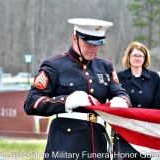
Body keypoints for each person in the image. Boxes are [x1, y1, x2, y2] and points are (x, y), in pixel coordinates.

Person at [24, 18, 131, 160]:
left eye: (98, 44)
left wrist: (121, 101)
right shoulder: (54, 65)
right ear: (75, 38)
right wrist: (66, 101)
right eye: (89, 43)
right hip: (66, 146)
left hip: (98, 145)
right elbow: (31, 103)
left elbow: (121, 93)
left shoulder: (105, 67)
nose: (94, 48)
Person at [113, 41, 160, 160]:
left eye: (141, 55)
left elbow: (157, 102)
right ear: (129, 57)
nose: (137, 58)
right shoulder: (119, 77)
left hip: (145, 128)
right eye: (134, 55)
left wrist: (148, 122)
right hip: (125, 128)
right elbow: (115, 100)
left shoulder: (154, 77)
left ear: (145, 58)